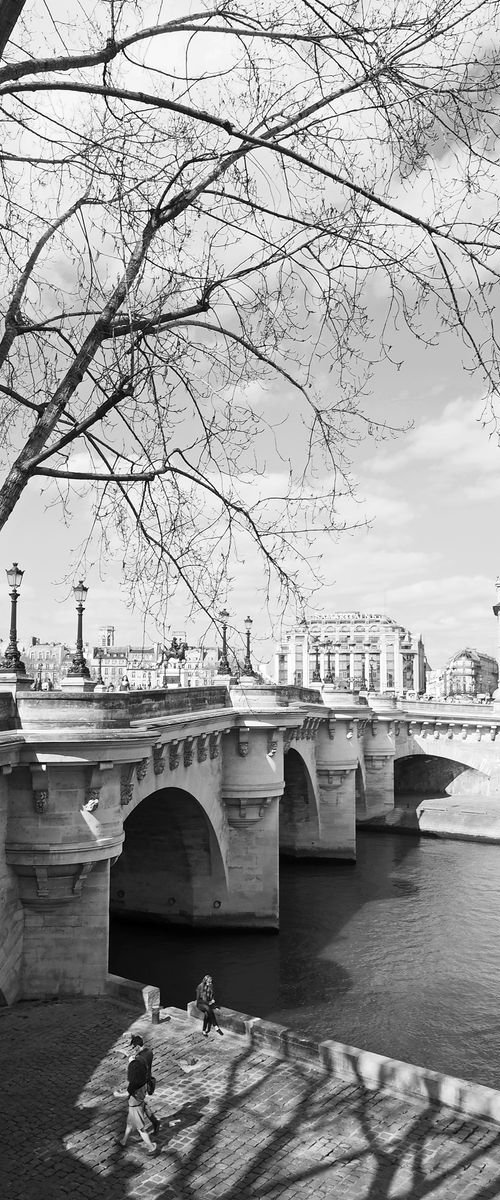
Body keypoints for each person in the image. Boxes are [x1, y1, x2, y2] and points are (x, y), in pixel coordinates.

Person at [119, 1034, 159, 1152]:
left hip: (138, 1090)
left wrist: (132, 1062)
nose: (133, 1048)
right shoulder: (149, 1052)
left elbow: (135, 1076)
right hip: (145, 1085)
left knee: (140, 1126)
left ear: (137, 1046)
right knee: (131, 1120)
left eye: (133, 1046)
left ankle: (152, 1147)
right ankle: (124, 1141)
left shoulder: (139, 1059)